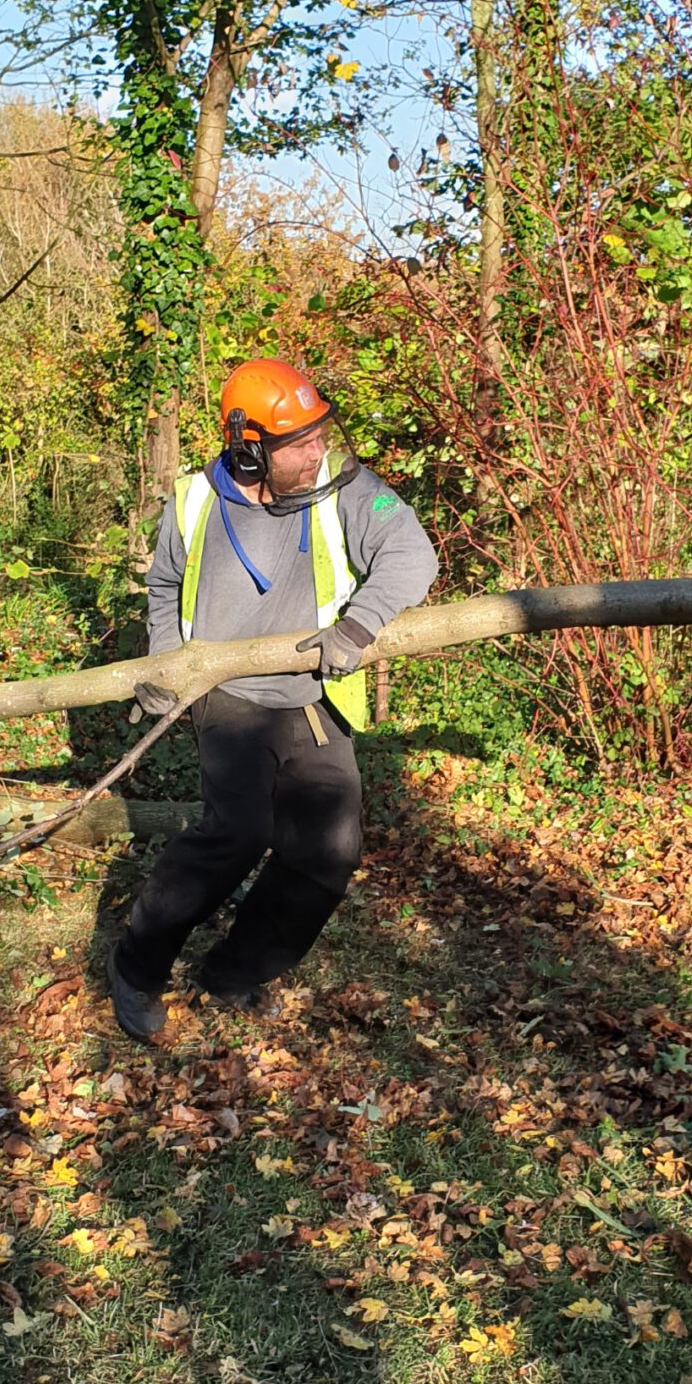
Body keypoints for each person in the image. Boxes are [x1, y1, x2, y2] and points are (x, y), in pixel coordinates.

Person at [107, 358, 439, 1041]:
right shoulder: (196, 500)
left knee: (331, 849)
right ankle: (137, 968)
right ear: (249, 447)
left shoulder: (347, 487)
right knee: (237, 833)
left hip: (311, 697)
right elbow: (165, 585)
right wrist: (168, 666)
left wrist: (358, 624)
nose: (318, 450)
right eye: (299, 443)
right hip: (225, 692)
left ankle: (235, 970)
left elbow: (413, 555)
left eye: (320, 434)